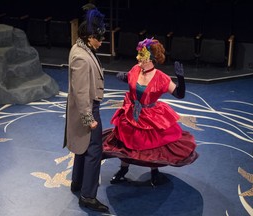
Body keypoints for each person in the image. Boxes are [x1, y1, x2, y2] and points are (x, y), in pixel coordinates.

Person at [102, 38, 199, 187]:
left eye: (141, 55)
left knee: (152, 147)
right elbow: (132, 81)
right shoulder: (135, 69)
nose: (138, 57)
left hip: (150, 117)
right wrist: (124, 77)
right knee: (125, 144)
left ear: (150, 58)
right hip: (130, 114)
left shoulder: (161, 78)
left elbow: (180, 94)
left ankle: (154, 172)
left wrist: (181, 79)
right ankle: (123, 170)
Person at [63, 4, 109, 213]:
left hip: (87, 106)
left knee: (82, 147)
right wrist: (88, 119)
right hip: (89, 108)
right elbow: (81, 93)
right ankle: (88, 196)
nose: (101, 42)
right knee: (93, 152)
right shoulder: (81, 56)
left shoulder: (81, 47)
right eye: (99, 38)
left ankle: (77, 182)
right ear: (89, 36)